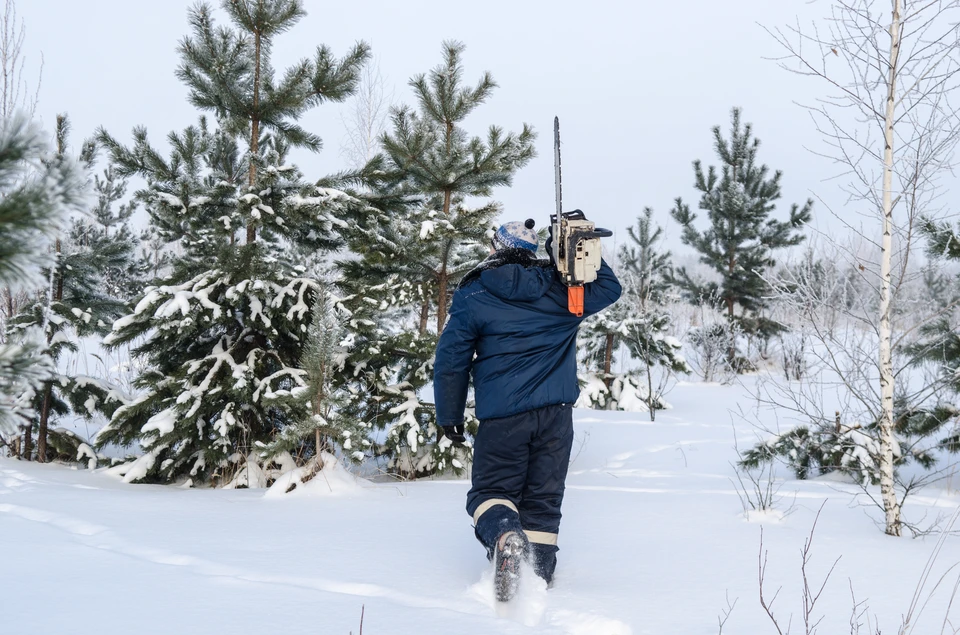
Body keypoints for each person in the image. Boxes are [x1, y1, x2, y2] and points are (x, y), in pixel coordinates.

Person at [433, 216, 621, 599]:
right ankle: (538, 578)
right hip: (556, 416)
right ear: (531, 252)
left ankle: (504, 537)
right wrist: (574, 245)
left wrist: (449, 415)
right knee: (544, 499)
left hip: (503, 416)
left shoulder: (475, 294)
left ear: (495, 248)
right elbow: (609, 287)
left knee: (490, 492)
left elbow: (452, 359)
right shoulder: (561, 290)